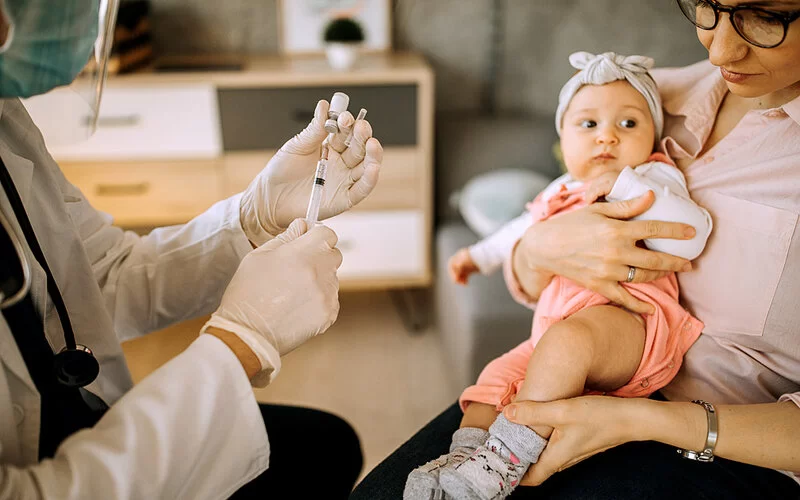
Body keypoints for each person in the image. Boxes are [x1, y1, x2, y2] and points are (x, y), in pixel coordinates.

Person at [353, 0, 800, 498]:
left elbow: (682, 226)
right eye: (707, 7)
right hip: (569, 365)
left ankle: (495, 461)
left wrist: (645, 420)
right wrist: (538, 247)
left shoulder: (649, 159)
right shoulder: (659, 90)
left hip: (730, 450)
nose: (720, 49)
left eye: (767, 16)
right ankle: (469, 457)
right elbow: (527, 242)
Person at [0, 0, 383, 498]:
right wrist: (240, 343)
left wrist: (254, 216)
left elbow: (101, 273)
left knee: (328, 446)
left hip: (75, 409)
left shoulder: (7, 119)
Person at [403, 51, 713, 500]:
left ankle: (502, 461)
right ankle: (465, 462)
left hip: (630, 324)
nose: (606, 136)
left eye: (628, 124)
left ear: (653, 136)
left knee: (569, 344)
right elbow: (519, 230)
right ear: (563, 140)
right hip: (553, 335)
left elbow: (691, 236)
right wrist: (478, 255)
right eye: (588, 125)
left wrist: (628, 187)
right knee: (494, 378)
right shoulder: (561, 189)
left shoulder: (654, 177)